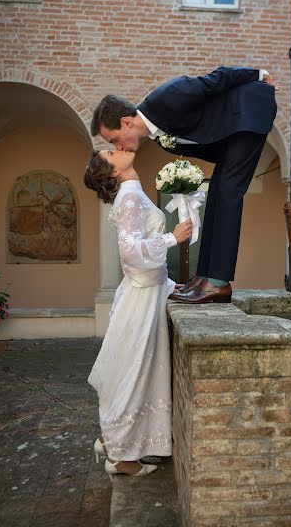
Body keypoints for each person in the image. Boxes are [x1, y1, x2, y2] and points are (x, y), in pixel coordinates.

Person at [90, 66, 278, 304]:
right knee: (218, 192)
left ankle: (218, 283)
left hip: (247, 114)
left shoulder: (164, 99)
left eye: (114, 140)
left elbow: (216, 79)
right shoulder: (160, 138)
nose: (118, 147)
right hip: (230, 135)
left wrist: (259, 75)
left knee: (228, 193)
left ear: (126, 122)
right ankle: (205, 276)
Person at [84, 149, 192, 479]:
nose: (120, 149)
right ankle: (120, 459)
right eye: (112, 152)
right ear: (113, 173)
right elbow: (130, 253)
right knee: (132, 375)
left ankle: (112, 438)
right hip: (142, 297)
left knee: (128, 372)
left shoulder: (133, 190)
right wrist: (173, 238)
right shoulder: (130, 196)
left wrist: (169, 284)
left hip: (147, 291)